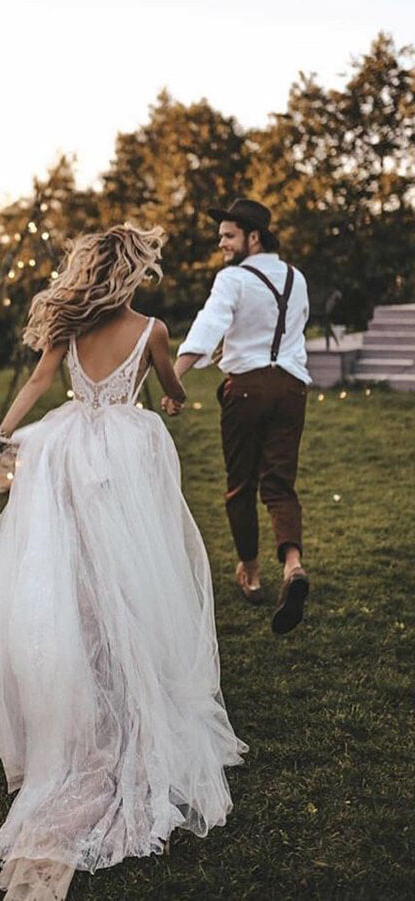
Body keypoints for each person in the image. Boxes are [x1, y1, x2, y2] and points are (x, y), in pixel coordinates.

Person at [0, 223, 247, 900]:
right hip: (128, 455)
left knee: (74, 567)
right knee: (133, 566)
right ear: (132, 272)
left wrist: (0, 436)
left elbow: (41, 381)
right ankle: (128, 679)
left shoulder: (67, 329)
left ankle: (87, 665)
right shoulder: (154, 330)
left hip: (67, 451)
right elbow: (168, 396)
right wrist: (181, 397)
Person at [168, 199, 311, 635]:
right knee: (280, 483)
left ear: (254, 237)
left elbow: (208, 325)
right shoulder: (296, 277)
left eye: (228, 236)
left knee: (240, 485)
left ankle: (250, 571)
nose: (222, 244)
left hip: (246, 389)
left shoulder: (232, 279)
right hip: (291, 388)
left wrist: (174, 380)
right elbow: (293, 328)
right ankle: (293, 565)